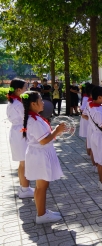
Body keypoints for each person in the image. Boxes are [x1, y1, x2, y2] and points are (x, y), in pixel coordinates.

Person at [21, 91, 65, 223]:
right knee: (41, 186)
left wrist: (58, 132)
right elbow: (43, 140)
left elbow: (46, 137)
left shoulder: (36, 117)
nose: (43, 103)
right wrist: (56, 131)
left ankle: (42, 211)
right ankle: (41, 215)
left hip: (40, 154)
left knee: (41, 186)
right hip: (40, 155)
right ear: (33, 104)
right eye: (41, 101)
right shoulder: (34, 120)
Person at [7, 79, 35, 198]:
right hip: (20, 132)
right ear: (19, 90)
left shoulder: (14, 101)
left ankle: (24, 187)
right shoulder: (18, 104)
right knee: (24, 162)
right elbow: (26, 118)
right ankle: (24, 189)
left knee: (22, 162)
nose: (27, 90)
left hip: (17, 132)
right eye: (25, 88)